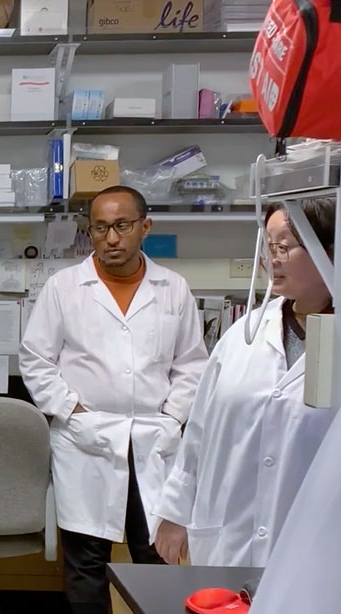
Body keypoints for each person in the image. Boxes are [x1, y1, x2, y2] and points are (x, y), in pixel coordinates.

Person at [19, 186, 209, 614]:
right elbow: (35, 359)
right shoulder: (64, 287)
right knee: (86, 564)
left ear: (145, 227)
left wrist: (172, 417)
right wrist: (72, 410)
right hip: (86, 440)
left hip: (152, 441)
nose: (111, 238)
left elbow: (192, 365)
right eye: (100, 228)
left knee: (156, 557)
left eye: (121, 226)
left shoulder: (173, 289)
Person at [153, 198, 336, 568]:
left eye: (284, 246)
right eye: (268, 247)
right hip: (230, 539)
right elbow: (200, 431)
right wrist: (175, 512)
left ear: (329, 249)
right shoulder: (244, 334)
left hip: (316, 550)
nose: (273, 259)